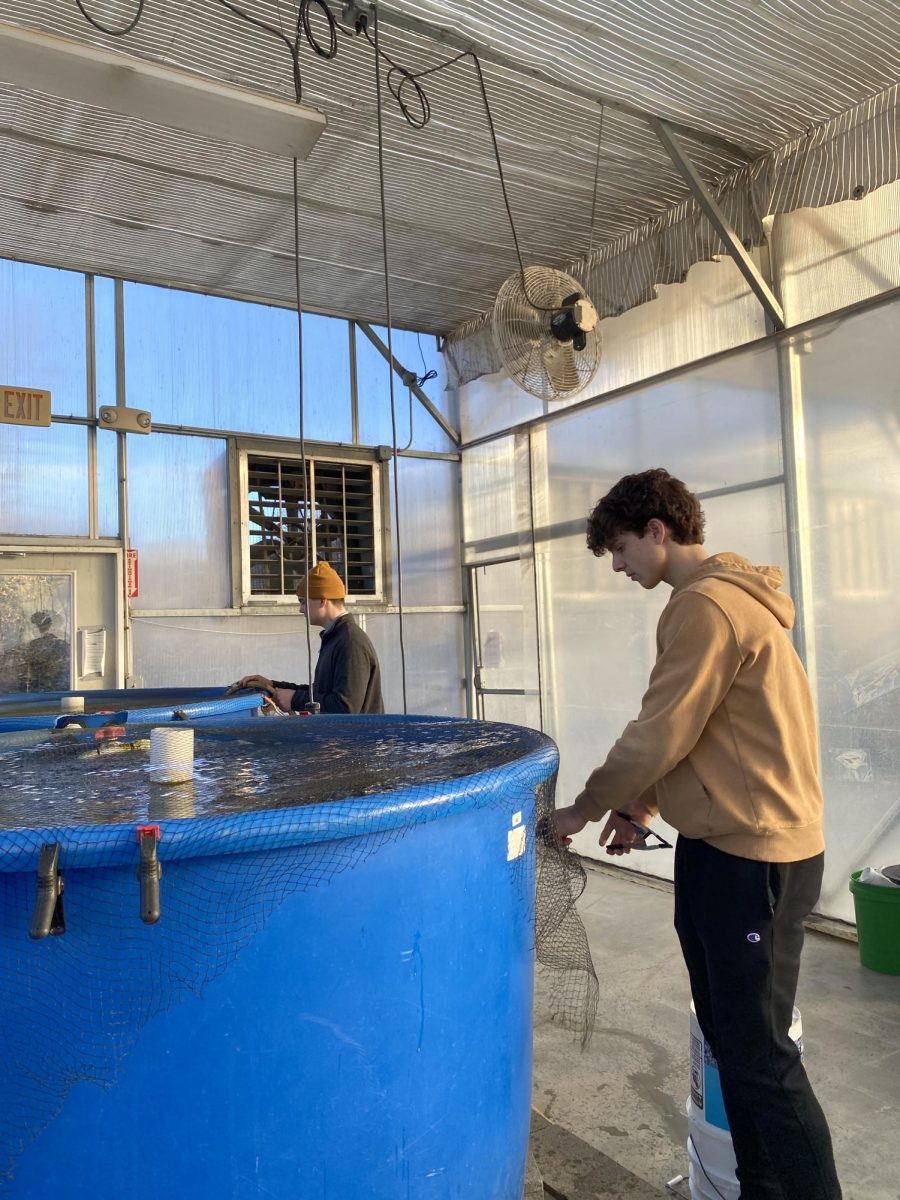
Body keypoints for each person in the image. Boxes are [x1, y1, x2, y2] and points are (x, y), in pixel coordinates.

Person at [553, 468, 841, 1200]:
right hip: (722, 849)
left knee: (762, 1058)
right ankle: (762, 1190)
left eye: (619, 549)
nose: (617, 567)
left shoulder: (707, 606)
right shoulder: (712, 601)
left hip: (754, 857)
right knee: (734, 1047)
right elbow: (699, 726)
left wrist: (584, 808)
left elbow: (660, 730)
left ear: (657, 530)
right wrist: (641, 808)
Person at [234, 560, 383, 714]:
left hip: (358, 738)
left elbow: (345, 707)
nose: (300, 609)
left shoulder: (351, 642)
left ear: (322, 600)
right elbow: (322, 692)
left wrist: (295, 699)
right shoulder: (336, 637)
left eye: (303, 602)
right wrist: (272, 686)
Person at [18, 611, 71, 692]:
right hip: (47, 687)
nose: (34, 630)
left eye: (37, 626)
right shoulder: (33, 644)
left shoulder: (60, 644)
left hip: (52, 687)